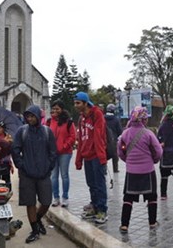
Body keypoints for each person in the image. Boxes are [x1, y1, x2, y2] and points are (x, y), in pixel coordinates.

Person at [12, 105, 57, 244]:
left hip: (43, 173)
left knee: (46, 201)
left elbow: (53, 151)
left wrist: (49, 166)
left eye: (32, 116)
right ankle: (35, 229)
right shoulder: (22, 131)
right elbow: (15, 149)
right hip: (27, 174)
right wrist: (21, 165)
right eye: (28, 116)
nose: (30, 119)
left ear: (38, 116)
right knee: (30, 202)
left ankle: (37, 219)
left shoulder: (47, 132)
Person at [117, 106, 163, 233]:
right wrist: (154, 160)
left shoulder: (125, 134)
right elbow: (158, 151)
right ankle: (152, 222)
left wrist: (129, 161)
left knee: (128, 198)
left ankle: (124, 224)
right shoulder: (148, 134)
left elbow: (120, 151)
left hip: (131, 172)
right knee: (152, 196)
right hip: (147, 171)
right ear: (144, 119)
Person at [74, 92, 109, 224]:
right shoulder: (81, 118)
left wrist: (102, 158)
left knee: (100, 184)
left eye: (78, 103)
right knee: (91, 184)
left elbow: (99, 136)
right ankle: (94, 206)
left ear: (85, 103)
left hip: (96, 155)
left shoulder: (97, 114)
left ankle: (102, 210)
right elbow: (81, 140)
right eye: (75, 103)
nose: (76, 105)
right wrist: (79, 159)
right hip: (87, 155)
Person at [47, 100, 76, 208]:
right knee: (54, 176)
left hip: (65, 153)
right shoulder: (49, 122)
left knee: (64, 175)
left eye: (57, 109)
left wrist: (64, 146)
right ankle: (56, 197)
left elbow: (73, 136)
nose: (55, 111)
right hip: (53, 153)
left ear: (62, 109)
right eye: (53, 108)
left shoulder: (68, 122)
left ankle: (65, 197)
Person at [0, 121, 14, 190]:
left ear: (3, 129)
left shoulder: (8, 137)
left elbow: (11, 149)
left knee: (7, 179)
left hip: (5, 161)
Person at [105, 103, 123, 172]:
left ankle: (104, 169)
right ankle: (115, 169)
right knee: (115, 155)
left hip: (104, 140)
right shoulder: (116, 120)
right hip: (113, 140)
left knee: (105, 154)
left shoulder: (103, 118)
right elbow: (120, 131)